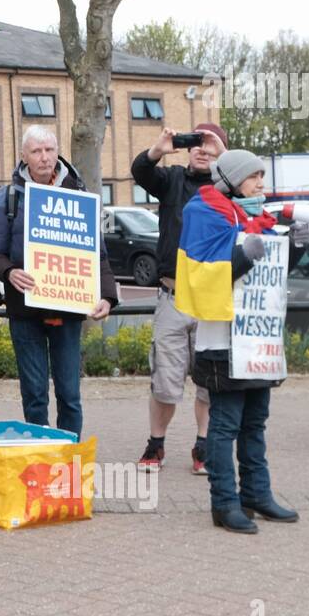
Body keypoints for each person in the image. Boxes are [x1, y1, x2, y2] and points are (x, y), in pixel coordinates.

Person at [176, 149, 297, 533]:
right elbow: (198, 274)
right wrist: (244, 255)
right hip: (221, 341)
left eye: (262, 175)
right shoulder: (202, 213)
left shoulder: (255, 217)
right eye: (254, 176)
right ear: (230, 180)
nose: (262, 183)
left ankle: (257, 494)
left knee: (255, 423)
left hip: (256, 339)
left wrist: (296, 247)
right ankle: (224, 502)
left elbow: (269, 273)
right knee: (225, 424)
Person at [0, 126, 118, 435]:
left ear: (57, 152)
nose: (44, 158)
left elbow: (98, 254)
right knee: (34, 397)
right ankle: (40, 462)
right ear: (23, 156)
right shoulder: (8, 197)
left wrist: (108, 297)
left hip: (67, 310)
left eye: (49, 150)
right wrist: (8, 272)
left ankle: (69, 464)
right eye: (36, 151)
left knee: (70, 396)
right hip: (25, 311)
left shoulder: (80, 195)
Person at [129, 123, 228, 474]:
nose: (201, 150)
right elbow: (140, 171)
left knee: (208, 381)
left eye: (209, 145)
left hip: (212, 300)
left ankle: (203, 445)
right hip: (173, 296)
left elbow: (248, 185)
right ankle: (156, 445)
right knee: (165, 381)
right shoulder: (171, 179)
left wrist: (224, 154)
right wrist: (159, 149)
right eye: (195, 143)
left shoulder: (226, 187)